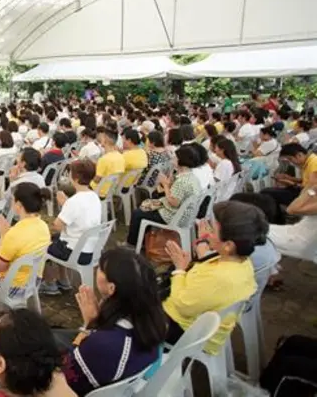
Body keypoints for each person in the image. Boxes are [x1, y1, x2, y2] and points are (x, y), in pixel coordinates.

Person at [49, 247, 168, 395]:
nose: (96, 270)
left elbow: (68, 374)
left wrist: (89, 325)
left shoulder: (104, 344)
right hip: (121, 377)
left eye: (101, 268)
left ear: (111, 288)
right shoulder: (152, 319)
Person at [163, 200, 259, 355]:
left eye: (212, 231)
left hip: (185, 331)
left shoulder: (221, 277)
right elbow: (207, 280)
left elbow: (182, 306)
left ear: (228, 245)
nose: (208, 234)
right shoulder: (242, 262)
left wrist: (179, 269)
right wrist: (202, 243)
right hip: (201, 326)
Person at [0, 183, 51, 305]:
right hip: (34, 280)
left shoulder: (14, 233)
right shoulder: (43, 226)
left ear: (18, 205)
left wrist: (3, 236)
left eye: (13, 200)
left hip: (12, 286)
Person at [41, 160, 102, 295]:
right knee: (58, 239)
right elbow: (80, 216)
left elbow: (57, 226)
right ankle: (64, 280)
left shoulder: (74, 201)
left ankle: (50, 283)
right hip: (90, 248)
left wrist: (64, 204)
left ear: (75, 178)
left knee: (42, 244)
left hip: (75, 251)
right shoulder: (94, 196)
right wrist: (66, 203)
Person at [126, 146, 202, 247]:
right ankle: (142, 240)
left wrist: (165, 184)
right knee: (145, 208)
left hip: (173, 216)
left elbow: (174, 202)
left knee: (137, 213)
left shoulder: (182, 181)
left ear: (182, 161)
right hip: (184, 216)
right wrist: (169, 183)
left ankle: (132, 244)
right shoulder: (191, 177)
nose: (173, 159)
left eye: (175, 157)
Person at [262, 143, 317, 207]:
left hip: (308, 196)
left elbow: (311, 189)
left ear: (299, 155)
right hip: (303, 190)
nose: (291, 162)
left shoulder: (314, 163)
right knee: (268, 190)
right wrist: (288, 178)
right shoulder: (307, 161)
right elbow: (305, 180)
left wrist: (292, 183)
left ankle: (279, 214)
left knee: (266, 193)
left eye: (290, 159)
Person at [91, 128, 124, 197]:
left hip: (98, 192)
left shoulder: (104, 159)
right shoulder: (121, 157)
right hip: (110, 191)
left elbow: (96, 180)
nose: (99, 138)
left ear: (106, 140)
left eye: (102, 137)